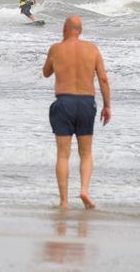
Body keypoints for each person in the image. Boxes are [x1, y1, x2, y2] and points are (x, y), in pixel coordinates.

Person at [42, 15, 110, 209]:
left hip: (63, 103)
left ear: (64, 29)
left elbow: (46, 72)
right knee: (86, 153)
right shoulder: (92, 49)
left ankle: (63, 202)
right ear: (80, 30)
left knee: (63, 155)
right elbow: (103, 79)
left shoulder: (56, 48)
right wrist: (107, 106)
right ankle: (84, 190)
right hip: (86, 103)